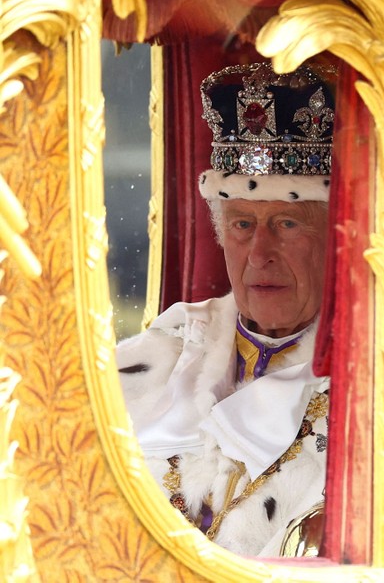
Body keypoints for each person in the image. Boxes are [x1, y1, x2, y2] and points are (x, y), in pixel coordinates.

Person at [116, 60, 335, 556]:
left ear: (337, 238)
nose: (259, 254)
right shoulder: (170, 346)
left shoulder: (383, 378)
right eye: (241, 225)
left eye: (287, 223)